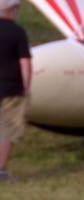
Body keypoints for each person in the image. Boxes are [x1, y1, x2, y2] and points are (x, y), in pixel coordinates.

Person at [0, 0, 30, 184]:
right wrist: (26, 86)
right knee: (7, 130)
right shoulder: (17, 32)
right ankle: (1, 172)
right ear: (11, 11)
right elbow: (25, 62)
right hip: (11, 88)